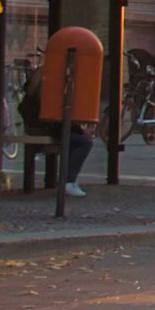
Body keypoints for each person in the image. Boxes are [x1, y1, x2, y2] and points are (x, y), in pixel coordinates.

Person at [36, 21, 104, 188]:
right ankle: (69, 181)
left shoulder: (45, 76)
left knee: (80, 140)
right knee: (84, 142)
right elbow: (56, 112)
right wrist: (79, 128)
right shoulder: (49, 80)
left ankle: (68, 180)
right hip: (48, 126)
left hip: (49, 124)